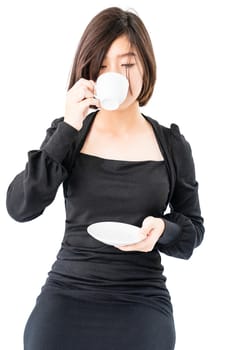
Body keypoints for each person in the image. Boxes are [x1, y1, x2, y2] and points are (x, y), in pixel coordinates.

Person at [6, 7, 205, 350]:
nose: (116, 75)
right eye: (102, 67)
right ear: (88, 74)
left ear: (145, 65)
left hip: (142, 299)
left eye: (127, 64)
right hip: (68, 291)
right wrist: (68, 126)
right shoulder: (69, 134)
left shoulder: (172, 145)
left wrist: (163, 229)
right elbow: (20, 207)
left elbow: (193, 231)